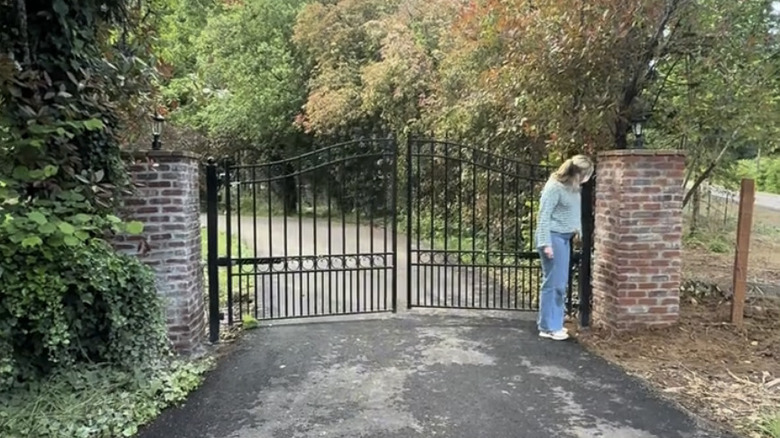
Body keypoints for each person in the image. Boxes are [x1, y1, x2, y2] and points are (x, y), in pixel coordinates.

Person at [534, 154, 593, 341]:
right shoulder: (554, 187)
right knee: (554, 283)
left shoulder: (574, 189)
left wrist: (579, 236)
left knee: (560, 283)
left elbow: (574, 215)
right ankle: (548, 327)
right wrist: (545, 243)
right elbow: (543, 216)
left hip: (565, 238)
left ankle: (555, 323)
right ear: (579, 174)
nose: (588, 179)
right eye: (587, 174)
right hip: (553, 237)